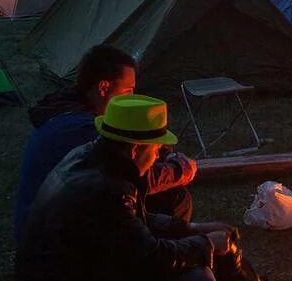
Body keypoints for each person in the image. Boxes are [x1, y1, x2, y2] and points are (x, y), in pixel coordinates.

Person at [14, 94, 228, 281]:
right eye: (156, 149)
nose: (158, 156)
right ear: (135, 149)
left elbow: (126, 223)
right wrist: (206, 244)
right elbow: (152, 259)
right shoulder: (107, 189)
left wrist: (189, 228)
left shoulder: (87, 157)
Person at [13, 45, 197, 242]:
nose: (132, 98)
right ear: (103, 88)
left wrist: (162, 153)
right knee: (174, 198)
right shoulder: (86, 129)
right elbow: (135, 177)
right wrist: (181, 169)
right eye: (128, 91)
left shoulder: (66, 110)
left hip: (49, 217)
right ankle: (154, 256)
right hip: (54, 235)